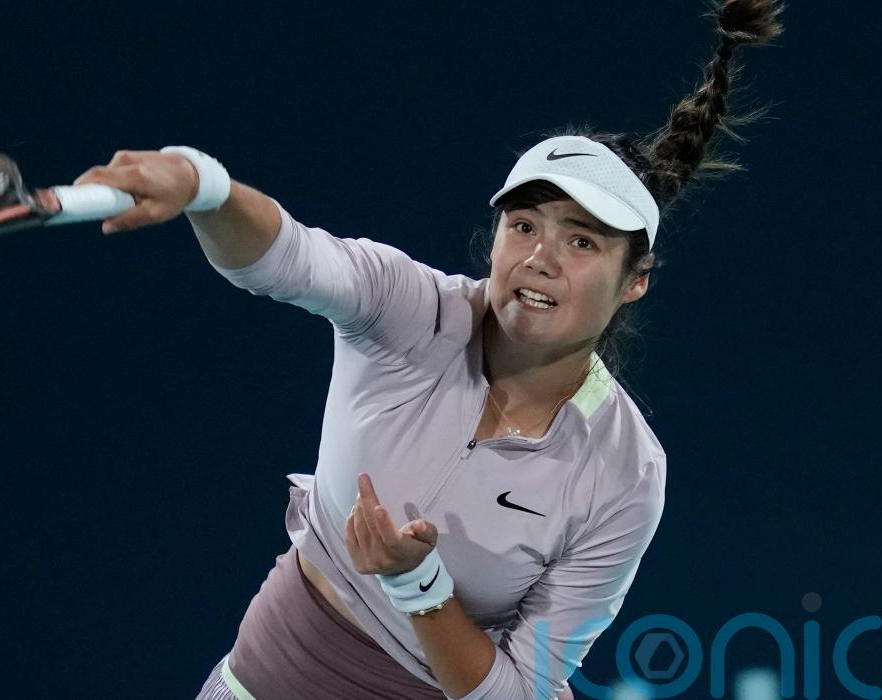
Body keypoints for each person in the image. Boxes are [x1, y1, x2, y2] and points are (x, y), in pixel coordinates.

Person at [74, 2, 785, 697]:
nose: (540, 259)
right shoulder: (407, 308)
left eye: (581, 242)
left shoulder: (626, 473)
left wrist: (418, 585)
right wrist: (203, 186)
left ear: (635, 281)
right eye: (524, 225)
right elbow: (288, 257)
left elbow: (520, 692)